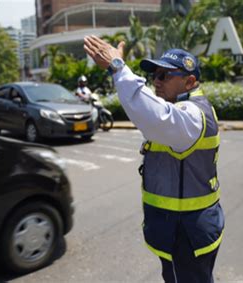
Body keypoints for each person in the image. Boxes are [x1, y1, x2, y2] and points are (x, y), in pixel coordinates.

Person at [84, 35, 224, 283]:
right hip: (178, 231)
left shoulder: (192, 113)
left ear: (190, 81)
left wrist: (118, 68)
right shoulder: (182, 107)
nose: (156, 82)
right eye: (155, 75)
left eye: (165, 76)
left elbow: (153, 116)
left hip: (187, 235)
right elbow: (146, 107)